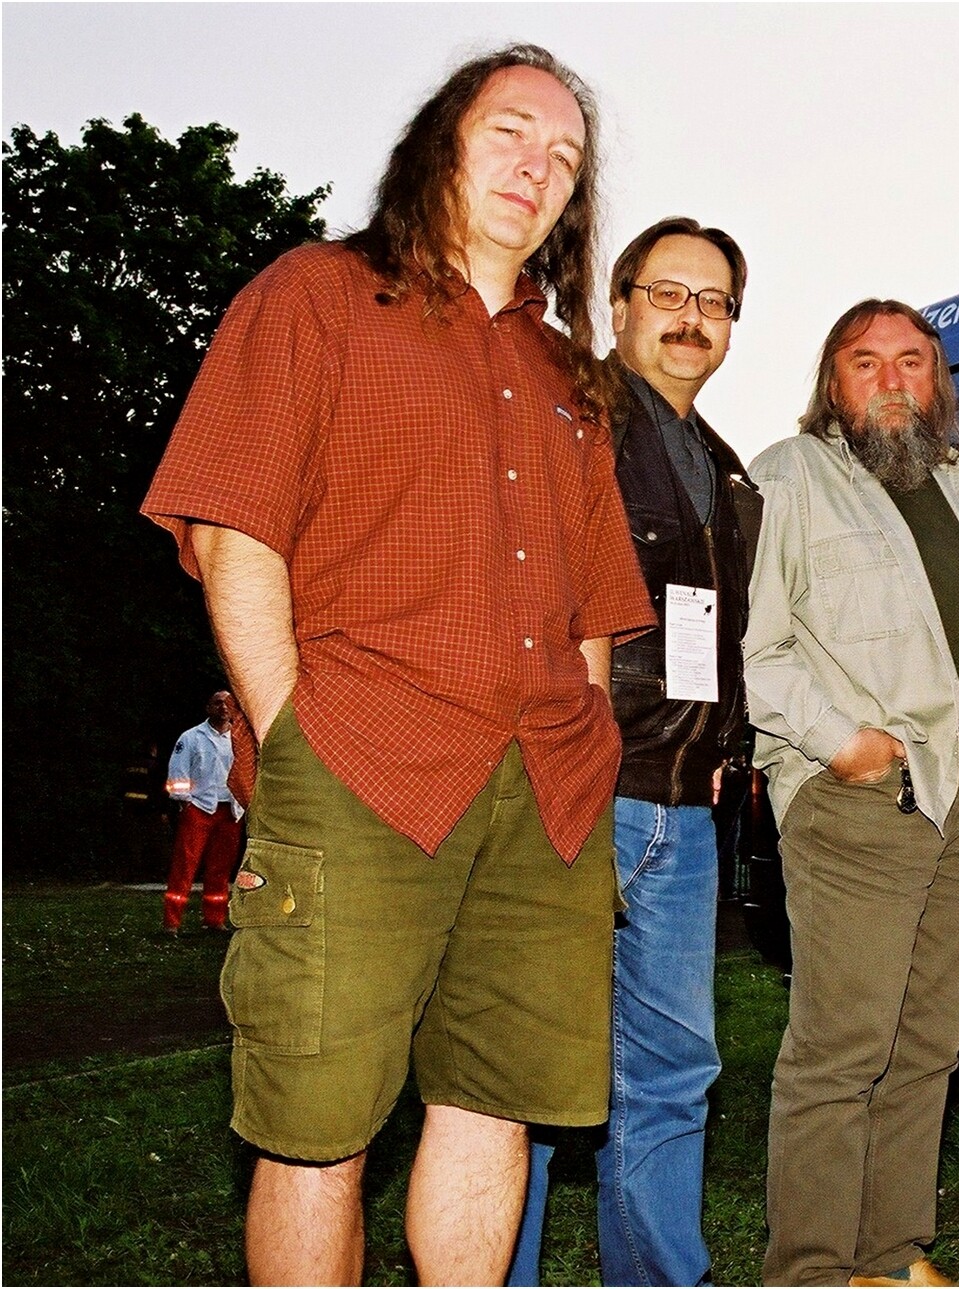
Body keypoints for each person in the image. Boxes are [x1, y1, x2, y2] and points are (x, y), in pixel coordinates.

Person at [140, 45, 654, 1285]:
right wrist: (293, 739)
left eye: (565, 156)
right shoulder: (315, 295)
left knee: (495, 1109)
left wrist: (587, 737)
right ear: (441, 143)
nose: (538, 167)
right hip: (363, 765)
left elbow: (594, 601)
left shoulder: (571, 378)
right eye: (510, 131)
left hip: (546, 794)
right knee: (316, 1129)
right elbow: (234, 530)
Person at [744, 300, 959, 1286]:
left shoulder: (952, 481)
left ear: (936, 379)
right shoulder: (789, 475)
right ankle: (813, 1270)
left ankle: (890, 1254)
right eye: (866, 362)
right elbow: (753, 645)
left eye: (912, 360)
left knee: (929, 1042)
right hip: (861, 796)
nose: (892, 379)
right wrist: (841, 745)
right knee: (840, 1050)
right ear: (833, 382)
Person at [510, 217, 758, 1288]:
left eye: (713, 301)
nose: (691, 317)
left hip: (684, 806)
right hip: (576, 788)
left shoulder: (726, 470)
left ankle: (661, 1276)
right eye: (668, 293)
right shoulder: (572, 420)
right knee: (524, 1070)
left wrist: (727, 744)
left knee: (672, 1068)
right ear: (617, 308)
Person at [161, 690, 245, 932]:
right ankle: (172, 922)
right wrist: (184, 800)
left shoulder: (240, 738)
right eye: (217, 703)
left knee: (221, 868)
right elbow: (178, 770)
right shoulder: (191, 737)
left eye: (228, 703)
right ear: (208, 707)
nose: (223, 707)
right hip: (199, 808)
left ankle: (215, 919)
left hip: (231, 810)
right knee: (185, 865)